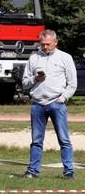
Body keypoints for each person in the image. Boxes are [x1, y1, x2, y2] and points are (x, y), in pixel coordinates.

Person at [21, 29, 77, 179]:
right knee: (36, 140)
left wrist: (63, 98)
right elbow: (24, 83)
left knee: (64, 139)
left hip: (57, 103)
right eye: (42, 44)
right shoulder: (34, 58)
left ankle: (69, 171)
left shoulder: (65, 58)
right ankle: (32, 171)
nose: (45, 47)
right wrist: (35, 79)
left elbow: (72, 84)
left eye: (48, 44)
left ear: (55, 42)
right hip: (37, 104)